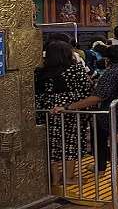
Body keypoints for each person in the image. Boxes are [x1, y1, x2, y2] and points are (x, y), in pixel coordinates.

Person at [55, 45, 118, 192]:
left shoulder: (112, 73)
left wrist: (69, 107)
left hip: (113, 116)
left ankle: (100, 167)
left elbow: (98, 97)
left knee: (99, 137)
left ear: (107, 60)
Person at [35, 41, 92, 186]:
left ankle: (55, 179)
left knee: (53, 144)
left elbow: (37, 94)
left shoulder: (41, 72)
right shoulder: (75, 69)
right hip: (71, 110)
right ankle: (68, 177)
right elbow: (86, 89)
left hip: (48, 111)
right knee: (71, 142)